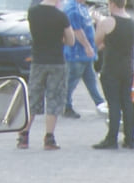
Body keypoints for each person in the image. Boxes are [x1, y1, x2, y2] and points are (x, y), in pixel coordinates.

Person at [21, 0, 75, 150]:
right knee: (54, 98)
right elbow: (71, 40)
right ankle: (49, 138)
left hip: (38, 60)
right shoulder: (61, 16)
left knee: (33, 98)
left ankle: (23, 135)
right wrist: (60, 39)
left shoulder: (33, 12)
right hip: (56, 61)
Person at [93, 0, 134, 148]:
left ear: (112, 4)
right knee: (127, 102)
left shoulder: (107, 22)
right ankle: (130, 139)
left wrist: (99, 21)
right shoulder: (133, 22)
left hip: (111, 67)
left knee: (114, 104)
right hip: (128, 67)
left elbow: (96, 41)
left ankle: (112, 138)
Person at [61, 0, 104, 119]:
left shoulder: (82, 7)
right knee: (70, 82)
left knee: (91, 81)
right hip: (77, 54)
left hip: (86, 55)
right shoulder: (72, 8)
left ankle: (101, 104)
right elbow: (76, 30)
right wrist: (87, 46)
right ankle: (65, 106)